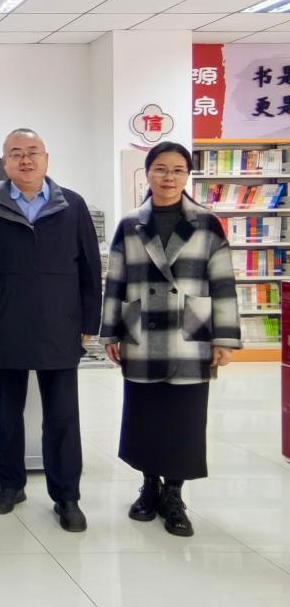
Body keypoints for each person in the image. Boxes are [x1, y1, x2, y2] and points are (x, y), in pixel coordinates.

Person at [100, 141, 241, 537]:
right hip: (142, 331)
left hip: (190, 332)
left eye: (178, 170)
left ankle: (174, 495)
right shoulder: (131, 223)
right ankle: (149, 487)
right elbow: (115, 281)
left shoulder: (207, 223)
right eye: (161, 169)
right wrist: (110, 331)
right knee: (145, 413)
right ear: (147, 173)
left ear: (187, 176)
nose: (169, 177)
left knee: (184, 417)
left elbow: (223, 283)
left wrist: (225, 337)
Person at [0, 128, 102, 532]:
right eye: (16, 153)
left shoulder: (72, 205)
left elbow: (90, 268)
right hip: (4, 322)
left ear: (47, 159)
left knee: (62, 415)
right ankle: (10, 486)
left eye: (33, 152)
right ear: (5, 163)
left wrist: (90, 323)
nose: (25, 160)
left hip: (59, 324)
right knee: (7, 413)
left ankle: (67, 496)